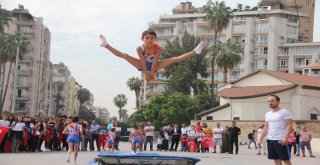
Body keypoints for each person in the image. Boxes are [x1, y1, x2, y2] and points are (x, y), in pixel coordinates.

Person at [99, 30, 205, 82]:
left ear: (155, 39)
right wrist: (146, 74)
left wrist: (152, 73)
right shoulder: (139, 48)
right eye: (147, 38)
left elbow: (155, 61)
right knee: (125, 55)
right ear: (142, 39)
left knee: (174, 59)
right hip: (142, 65)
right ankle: (106, 45)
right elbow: (143, 62)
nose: (149, 40)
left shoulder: (158, 48)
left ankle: (195, 52)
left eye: (152, 38)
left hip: (155, 65)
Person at [258, 95, 293, 165]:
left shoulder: (285, 112)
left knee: (285, 160)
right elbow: (266, 127)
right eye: (269, 101)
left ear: (278, 102)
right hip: (270, 139)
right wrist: (260, 139)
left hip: (280, 140)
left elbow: (290, 125)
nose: (270, 102)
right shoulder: (267, 114)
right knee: (276, 159)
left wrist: (286, 138)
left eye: (272, 101)